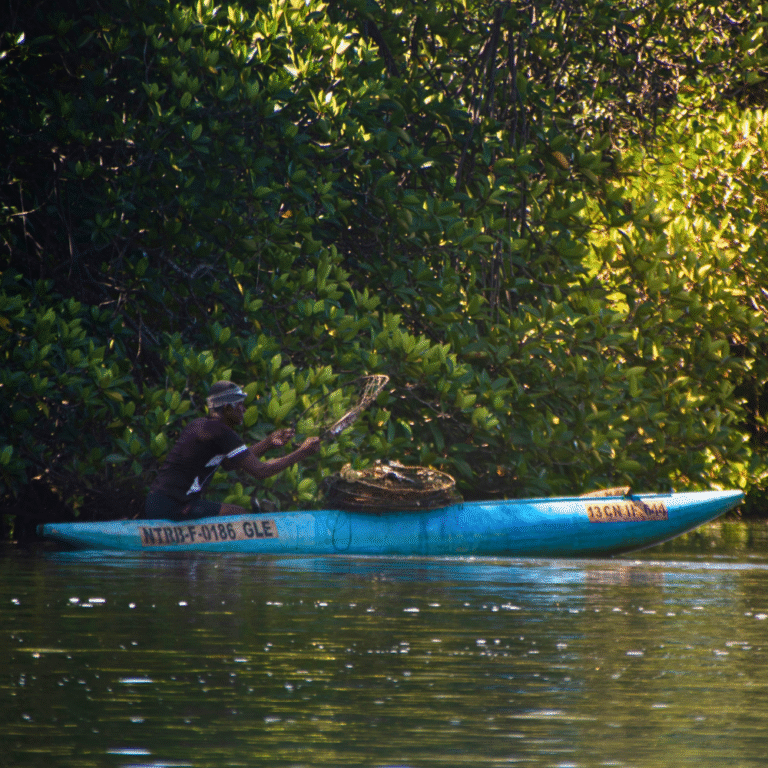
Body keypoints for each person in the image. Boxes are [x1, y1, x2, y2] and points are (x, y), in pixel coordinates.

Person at [145, 380, 321, 520]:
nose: (244, 409)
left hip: (157, 502)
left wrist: (268, 443)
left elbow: (229, 464)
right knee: (241, 515)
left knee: (236, 511)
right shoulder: (221, 432)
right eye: (240, 405)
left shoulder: (199, 425)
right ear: (228, 409)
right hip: (175, 505)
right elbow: (260, 471)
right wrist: (302, 452)